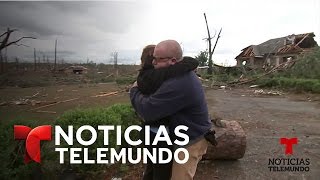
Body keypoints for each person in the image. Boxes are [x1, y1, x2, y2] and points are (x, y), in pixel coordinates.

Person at [130, 40, 212, 180]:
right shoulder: (174, 72)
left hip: (190, 141)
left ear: (173, 60)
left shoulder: (180, 82)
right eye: (152, 58)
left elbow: (147, 110)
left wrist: (134, 90)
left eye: (157, 59)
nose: (153, 62)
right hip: (180, 135)